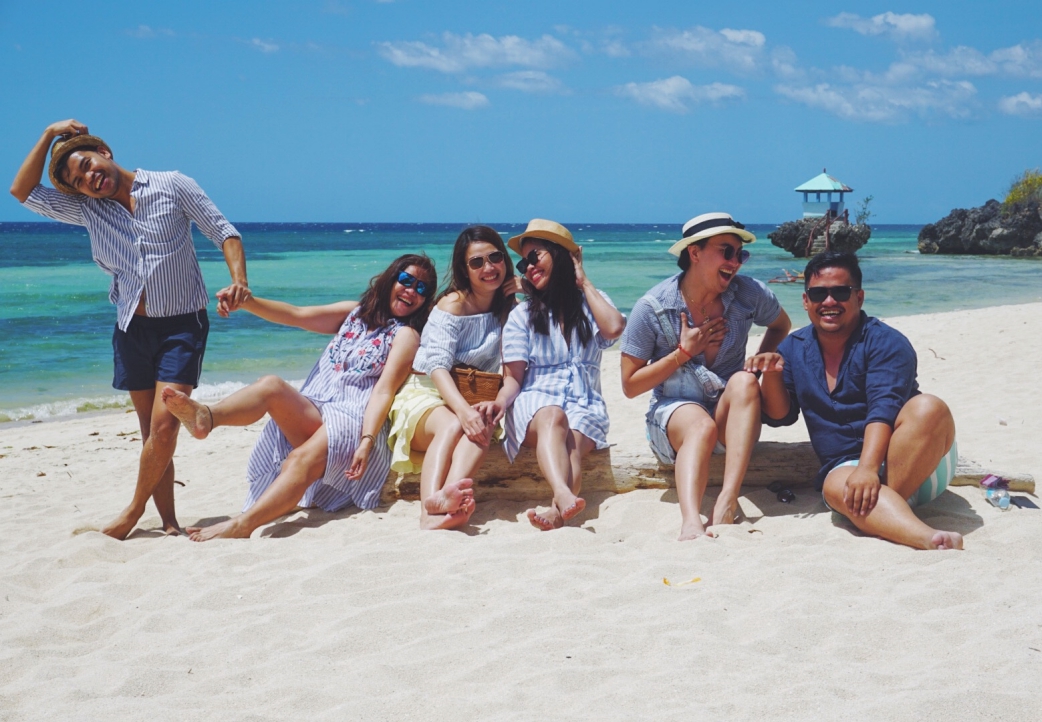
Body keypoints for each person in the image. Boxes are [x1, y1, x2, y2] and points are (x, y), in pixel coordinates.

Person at [9, 120, 249, 540]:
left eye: (87, 164)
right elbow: (22, 191)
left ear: (103, 152)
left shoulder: (172, 184)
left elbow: (224, 231)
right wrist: (48, 134)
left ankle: (133, 512)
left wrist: (239, 280)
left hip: (182, 325)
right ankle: (169, 522)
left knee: (165, 426)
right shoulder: (87, 209)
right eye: (78, 180)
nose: (88, 178)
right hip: (130, 328)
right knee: (151, 432)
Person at [161, 255, 436, 541]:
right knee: (271, 385)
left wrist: (367, 440)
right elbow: (296, 314)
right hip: (318, 406)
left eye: (421, 288)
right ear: (391, 280)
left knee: (299, 459)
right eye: (406, 280)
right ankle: (207, 417)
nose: (411, 291)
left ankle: (243, 524)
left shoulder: (406, 335)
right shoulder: (354, 313)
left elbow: (384, 390)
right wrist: (246, 303)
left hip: (354, 421)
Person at [754, 251, 963, 550]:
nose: (829, 302)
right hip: (844, 468)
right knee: (836, 485)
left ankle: (879, 516)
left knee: (929, 407)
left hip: (913, 460)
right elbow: (779, 416)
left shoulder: (886, 342)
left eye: (841, 292)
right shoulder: (794, 347)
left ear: (859, 297)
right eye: (818, 294)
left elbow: (883, 409)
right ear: (805, 300)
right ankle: (923, 535)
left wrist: (868, 469)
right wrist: (772, 375)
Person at [620, 213, 791, 541]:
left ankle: (727, 501)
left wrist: (758, 363)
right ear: (694, 252)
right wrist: (682, 353)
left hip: (729, 418)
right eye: (726, 251)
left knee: (745, 381)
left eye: (740, 254)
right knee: (701, 425)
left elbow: (781, 325)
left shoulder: (749, 294)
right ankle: (691, 522)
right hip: (674, 417)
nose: (735, 262)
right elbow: (630, 385)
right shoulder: (653, 307)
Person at [481, 219, 626, 531]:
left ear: (562, 255)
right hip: (535, 406)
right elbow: (513, 379)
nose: (529, 268)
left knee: (572, 442)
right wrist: (500, 403)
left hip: (585, 405)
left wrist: (583, 281)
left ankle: (557, 513)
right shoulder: (522, 315)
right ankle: (562, 493)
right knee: (552, 416)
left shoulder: (591, 303)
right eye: (524, 263)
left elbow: (614, 328)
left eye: (536, 256)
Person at [387, 226, 518, 530]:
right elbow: (436, 365)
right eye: (477, 262)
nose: (488, 268)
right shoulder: (453, 304)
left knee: (482, 425)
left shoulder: (510, 308)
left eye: (495, 257)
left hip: (471, 395)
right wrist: (462, 411)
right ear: (464, 269)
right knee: (455, 423)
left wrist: (528, 289)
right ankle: (428, 511)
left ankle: (448, 497)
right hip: (427, 390)